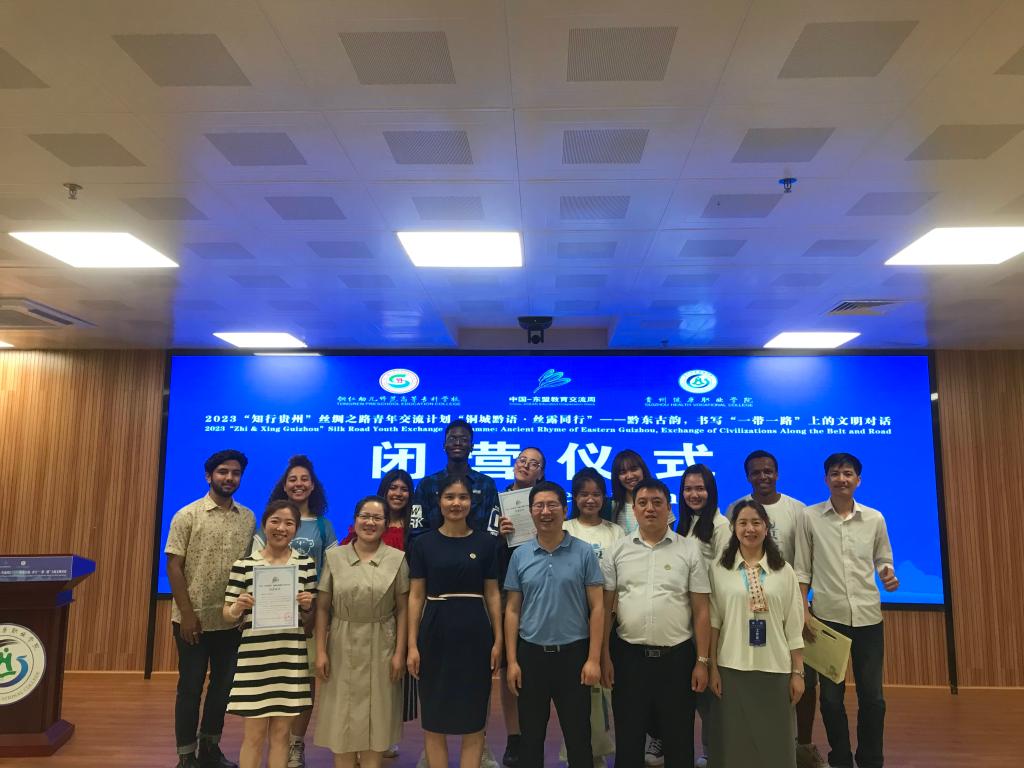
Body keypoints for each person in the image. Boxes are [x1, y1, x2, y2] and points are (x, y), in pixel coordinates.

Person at [795, 453, 898, 768]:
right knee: (829, 699)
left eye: (848, 473)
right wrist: (804, 611)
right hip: (827, 619)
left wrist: (887, 573)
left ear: (858, 480)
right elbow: (802, 569)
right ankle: (840, 758)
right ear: (826, 479)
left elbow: (883, 558)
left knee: (873, 699)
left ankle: (870, 760)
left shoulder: (875, 518)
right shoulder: (809, 517)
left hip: (868, 618)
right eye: (835, 473)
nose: (842, 478)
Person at [600, 478, 711, 768]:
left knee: (679, 740)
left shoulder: (689, 550)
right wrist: (604, 655)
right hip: (628, 658)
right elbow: (606, 608)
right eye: (643, 503)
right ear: (634, 509)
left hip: (677, 660)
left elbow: (701, 610)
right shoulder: (617, 550)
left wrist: (702, 661)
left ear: (669, 508)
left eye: (657, 502)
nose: (650, 508)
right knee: (628, 739)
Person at [724, 450, 823, 768]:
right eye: (756, 472)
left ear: (777, 473)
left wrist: (804, 605)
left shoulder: (797, 509)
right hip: (747, 605)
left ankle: (802, 745)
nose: (762, 476)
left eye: (768, 471)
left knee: (801, 679)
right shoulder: (734, 508)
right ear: (747, 476)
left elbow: (805, 560)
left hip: (789, 602)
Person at [504, 480, 605, 768]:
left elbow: (598, 607)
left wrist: (593, 659)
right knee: (531, 737)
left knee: (578, 736)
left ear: (564, 509)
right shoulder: (520, 554)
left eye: (552, 505)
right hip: (531, 655)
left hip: (574, 655)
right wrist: (512, 661)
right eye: (539, 506)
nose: (545, 512)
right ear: (530, 511)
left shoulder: (584, 552)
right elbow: (512, 610)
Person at [166, 449, 256, 768]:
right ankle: (186, 755)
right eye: (222, 472)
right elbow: (173, 566)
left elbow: (250, 568)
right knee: (190, 688)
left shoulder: (248, 518)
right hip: (193, 621)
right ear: (209, 476)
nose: (229, 478)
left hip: (230, 621)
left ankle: (209, 748)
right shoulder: (187, 515)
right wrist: (188, 615)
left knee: (222, 688)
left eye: (235, 473)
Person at [407, 475, 503, 768]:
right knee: (434, 716)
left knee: (474, 717)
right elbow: (416, 596)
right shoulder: (423, 543)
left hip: (475, 633)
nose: (456, 503)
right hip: (434, 631)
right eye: (450, 497)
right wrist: (412, 644)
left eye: (462, 497)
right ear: (439, 501)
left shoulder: (486, 543)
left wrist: (498, 640)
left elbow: (492, 594)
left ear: (471, 502)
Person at [708, 499, 805, 768]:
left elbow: (794, 625)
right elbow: (714, 623)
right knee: (734, 745)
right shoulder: (719, 569)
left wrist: (798, 672)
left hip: (775, 668)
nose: (749, 529)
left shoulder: (783, 570)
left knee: (775, 745)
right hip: (731, 667)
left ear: (766, 527)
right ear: (733, 527)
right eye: (743, 523)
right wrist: (713, 667)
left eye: (756, 522)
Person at [314, 495, 409, 768]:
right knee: (341, 719)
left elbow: (403, 610)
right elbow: (322, 608)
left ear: (386, 523)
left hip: (383, 643)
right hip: (341, 643)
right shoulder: (335, 557)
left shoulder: (397, 559)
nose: (370, 522)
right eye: (365, 516)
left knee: (377, 719)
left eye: (377, 518)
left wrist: (399, 653)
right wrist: (320, 651)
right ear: (355, 520)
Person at [223, 500, 317, 768]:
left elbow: (309, 614)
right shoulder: (244, 565)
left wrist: (308, 605)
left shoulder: (306, 564)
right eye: (275, 521)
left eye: (289, 523)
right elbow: (227, 613)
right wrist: (237, 607)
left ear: (296, 529)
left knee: (281, 735)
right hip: (255, 659)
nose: (281, 528)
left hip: (289, 658)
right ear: (264, 525)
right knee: (253, 736)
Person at [261, 456, 337, 768]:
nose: (299, 484)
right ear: (284, 484)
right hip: (271, 619)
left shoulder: (323, 525)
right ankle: (274, 742)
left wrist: (313, 612)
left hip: (310, 619)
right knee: (274, 680)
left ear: (313, 486)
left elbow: (331, 573)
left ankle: (295, 744)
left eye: (305, 479)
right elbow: (258, 566)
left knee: (304, 683)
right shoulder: (270, 520)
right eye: (293, 479)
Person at [562, 468, 623, 767]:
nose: (590, 499)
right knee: (578, 696)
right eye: (584, 494)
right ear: (574, 497)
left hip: (611, 620)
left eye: (596, 494)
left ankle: (618, 752)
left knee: (611, 692)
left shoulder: (616, 532)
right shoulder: (565, 528)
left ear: (604, 497)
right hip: (572, 622)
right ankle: (584, 755)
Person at [495, 447, 546, 768]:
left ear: (541, 473)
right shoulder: (496, 501)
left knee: (538, 667)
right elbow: (484, 545)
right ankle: (514, 737)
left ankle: (533, 735)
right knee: (508, 667)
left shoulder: (547, 500)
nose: (525, 466)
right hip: (506, 591)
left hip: (542, 591)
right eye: (522, 460)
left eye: (533, 463)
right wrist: (498, 536)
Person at [676, 463, 729, 767]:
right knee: (693, 690)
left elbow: (723, 578)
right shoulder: (682, 525)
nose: (694, 494)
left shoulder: (721, 527)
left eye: (700, 488)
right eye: (688, 489)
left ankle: (713, 751)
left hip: (709, 619)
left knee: (710, 690)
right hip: (684, 618)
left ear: (711, 490)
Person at [411, 419, 500, 537]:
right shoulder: (426, 484)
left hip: (479, 548)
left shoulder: (486, 484)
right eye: (452, 439)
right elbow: (416, 528)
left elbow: (492, 530)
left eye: (464, 439)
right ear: (444, 445)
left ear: (472, 447)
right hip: (432, 548)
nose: (458, 443)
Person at [341, 469, 413, 551]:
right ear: (383, 490)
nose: (398, 494)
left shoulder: (415, 527)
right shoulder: (366, 524)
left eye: (404, 489)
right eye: (393, 488)